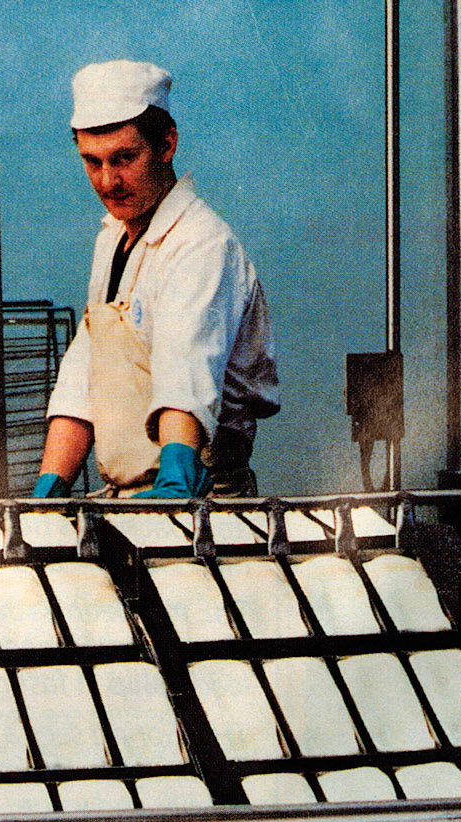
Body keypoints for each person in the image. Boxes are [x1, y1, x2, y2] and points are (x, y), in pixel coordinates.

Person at [34, 59, 278, 501]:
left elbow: (187, 365)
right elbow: (83, 374)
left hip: (201, 498)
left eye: (124, 158)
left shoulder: (200, 244)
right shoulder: (113, 239)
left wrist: (176, 482)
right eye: (92, 162)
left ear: (166, 145)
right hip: (129, 499)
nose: (108, 182)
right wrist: (49, 490)